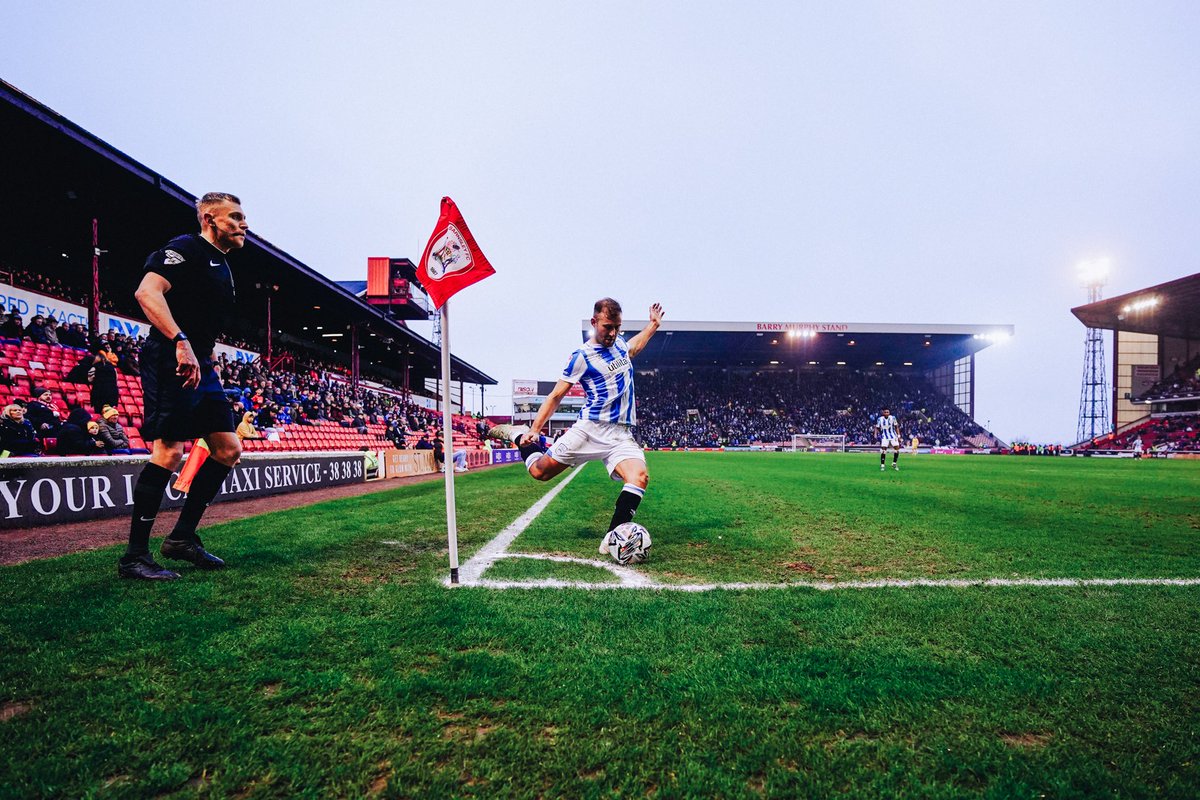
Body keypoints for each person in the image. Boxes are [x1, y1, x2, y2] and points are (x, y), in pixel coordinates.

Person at [118, 192, 247, 581]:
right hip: (170, 356)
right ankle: (134, 557)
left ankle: (181, 538)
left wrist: (201, 354)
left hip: (201, 363)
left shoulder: (222, 263)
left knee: (227, 449)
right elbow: (146, 292)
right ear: (210, 218)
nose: (244, 224)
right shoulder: (185, 248)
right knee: (169, 452)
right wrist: (180, 341)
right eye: (235, 217)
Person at [516, 298, 664, 549]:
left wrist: (653, 326)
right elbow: (555, 396)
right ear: (594, 322)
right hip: (589, 430)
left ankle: (613, 540)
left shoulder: (619, 345)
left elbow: (633, 349)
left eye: (617, 327)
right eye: (607, 326)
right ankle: (519, 438)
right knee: (540, 472)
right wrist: (534, 430)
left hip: (620, 435)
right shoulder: (582, 356)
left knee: (639, 477)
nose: (613, 332)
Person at [874, 407, 902, 471]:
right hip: (885, 436)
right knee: (883, 450)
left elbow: (896, 427)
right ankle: (882, 465)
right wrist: (876, 433)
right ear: (883, 413)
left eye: (888, 412)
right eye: (885, 412)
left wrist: (899, 435)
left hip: (893, 436)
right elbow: (877, 427)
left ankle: (894, 463)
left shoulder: (893, 418)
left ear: (889, 413)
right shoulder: (880, 419)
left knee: (897, 449)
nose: (887, 413)